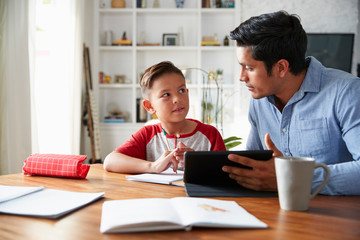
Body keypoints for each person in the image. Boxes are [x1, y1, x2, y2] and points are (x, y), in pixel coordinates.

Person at [223, 10, 360, 195]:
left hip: (333, 217)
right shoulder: (259, 101)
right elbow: (254, 165)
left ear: (281, 67)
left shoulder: (347, 92)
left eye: (249, 68)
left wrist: (291, 179)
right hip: (272, 212)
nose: (242, 77)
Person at [103, 61, 226, 174]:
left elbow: (225, 173)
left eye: (181, 90)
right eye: (166, 94)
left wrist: (199, 162)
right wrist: (153, 166)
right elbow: (110, 161)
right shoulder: (147, 135)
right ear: (150, 106)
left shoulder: (210, 135)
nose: (177, 99)